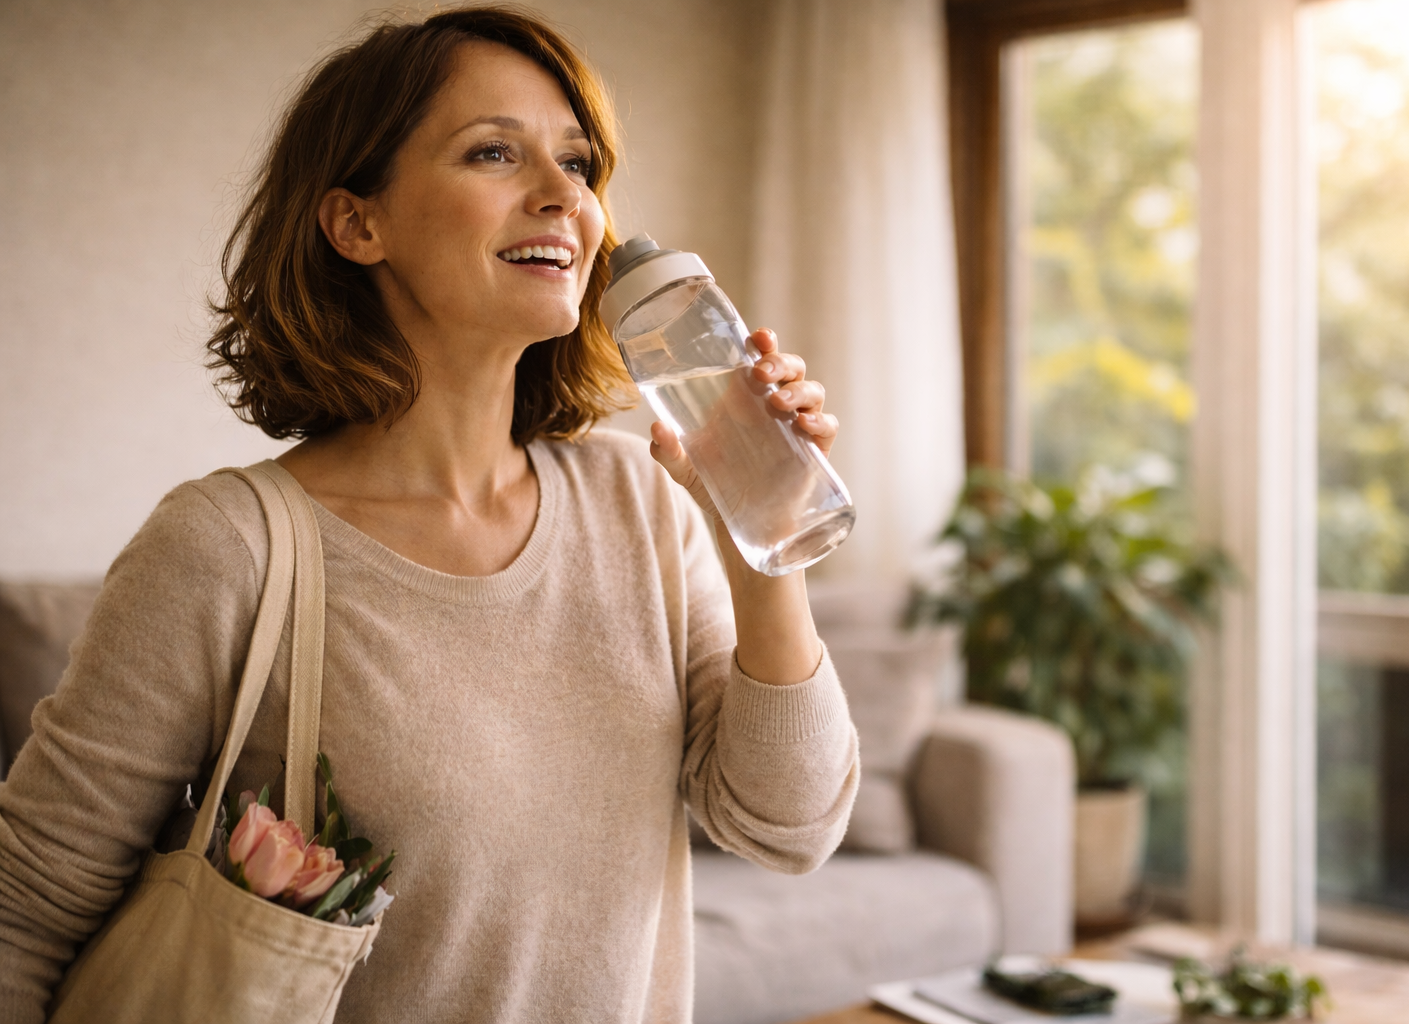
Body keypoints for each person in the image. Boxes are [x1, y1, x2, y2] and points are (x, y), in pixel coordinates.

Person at [0, 7, 859, 1023]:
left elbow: (788, 825)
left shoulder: (643, 508)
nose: (563, 198)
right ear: (357, 222)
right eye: (494, 151)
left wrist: (764, 521)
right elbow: (26, 915)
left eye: (580, 165)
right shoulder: (225, 548)